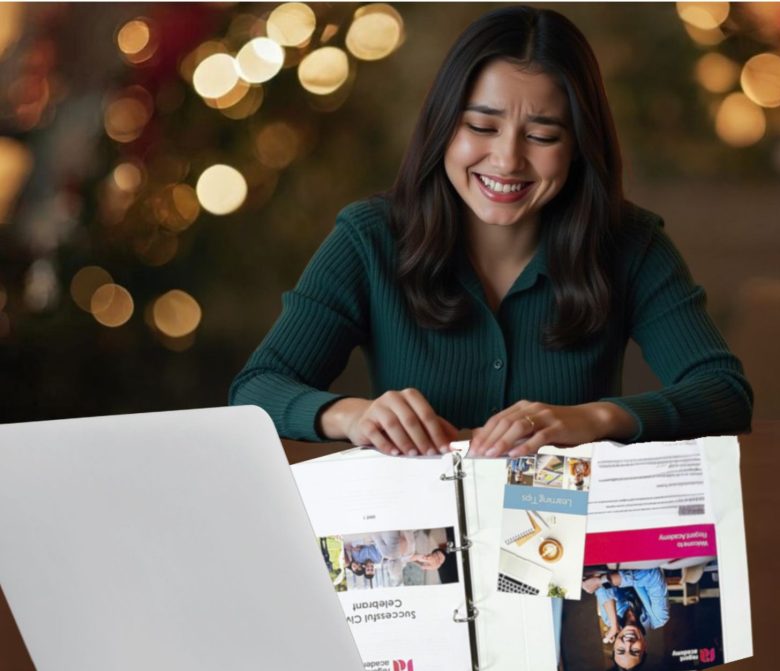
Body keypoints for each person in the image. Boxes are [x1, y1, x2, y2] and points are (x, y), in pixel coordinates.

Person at [229, 6, 752, 457]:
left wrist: (592, 420)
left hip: (568, 541)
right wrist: (352, 416)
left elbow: (723, 392)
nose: (506, 160)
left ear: (578, 146)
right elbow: (255, 392)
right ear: (444, 128)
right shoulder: (370, 238)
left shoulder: (631, 243)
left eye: (543, 135)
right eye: (481, 127)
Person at [582, 568, 669, 671]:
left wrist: (614, 624)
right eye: (635, 651)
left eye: (621, 650)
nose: (628, 643)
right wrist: (602, 581)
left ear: (614, 645)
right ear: (644, 647)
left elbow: (601, 586)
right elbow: (653, 574)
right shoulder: (659, 617)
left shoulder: (609, 620)